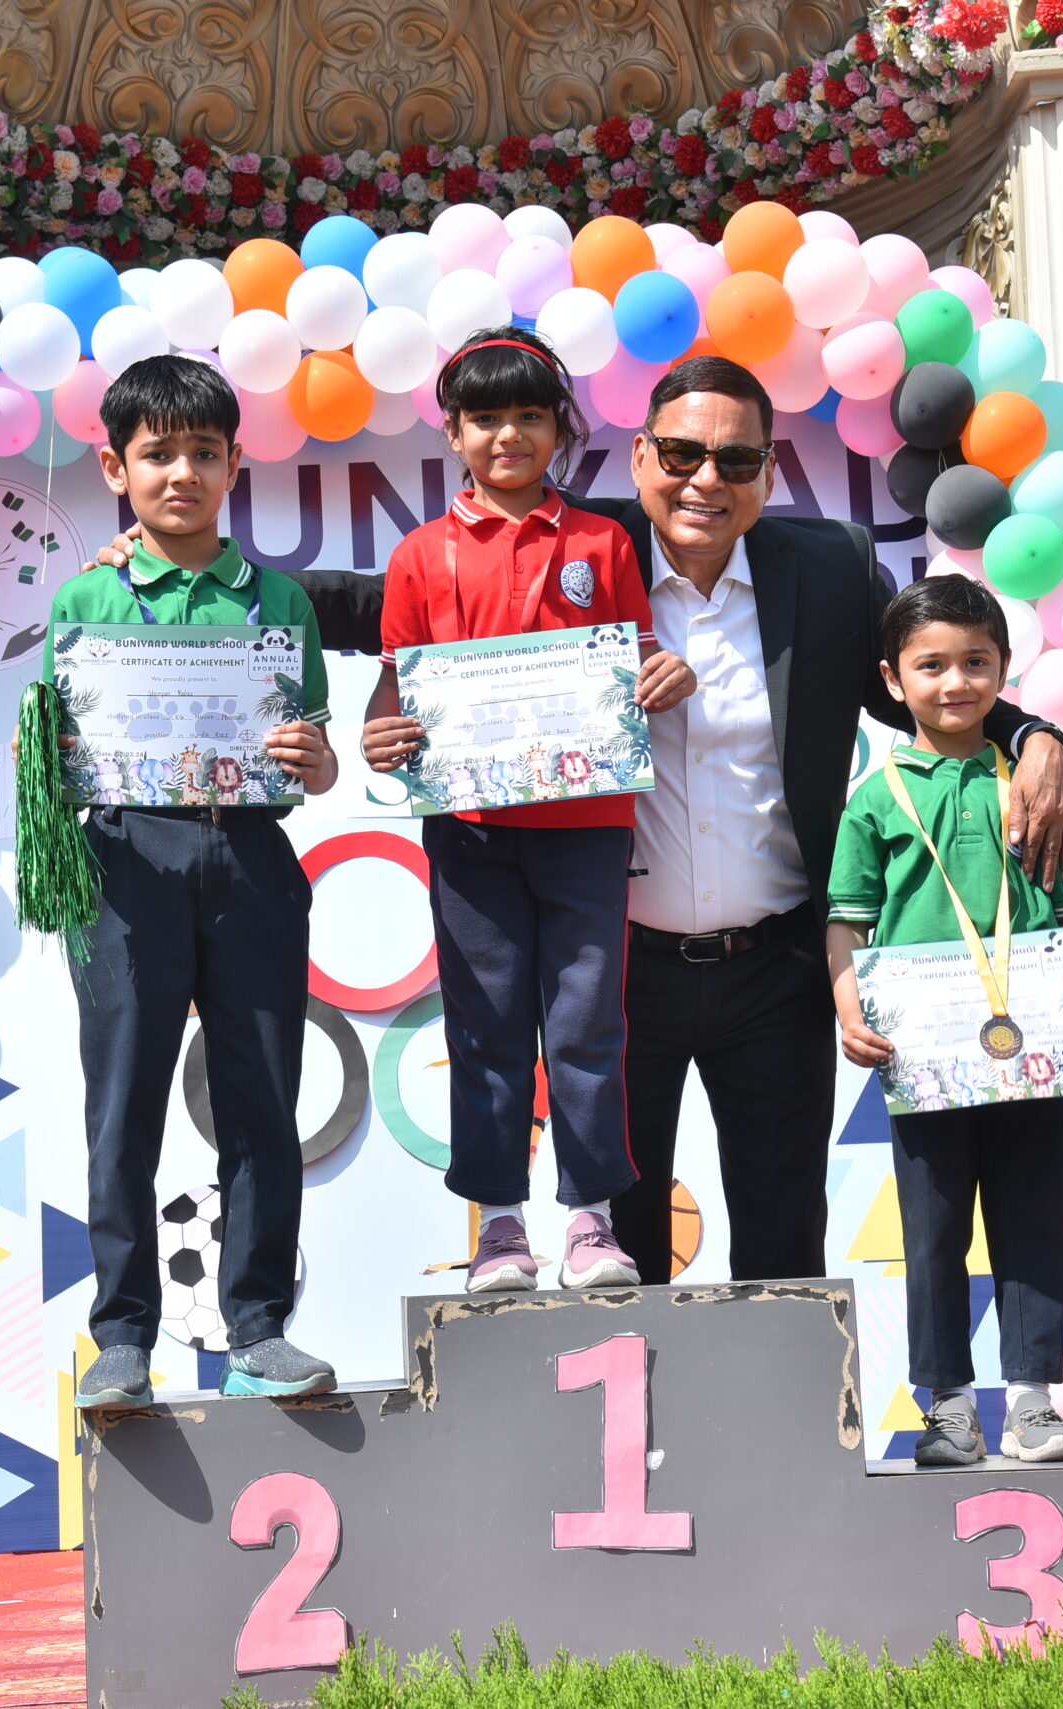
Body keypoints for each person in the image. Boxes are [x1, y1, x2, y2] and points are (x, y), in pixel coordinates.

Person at [572, 358, 1063, 1288]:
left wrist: (1036, 735)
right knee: (620, 1252)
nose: (706, 480)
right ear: (640, 456)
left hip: (777, 971)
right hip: (617, 971)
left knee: (782, 1247)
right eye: (682, 454)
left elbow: (917, 688)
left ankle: (781, 1393)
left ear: (769, 471)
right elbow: (418, 616)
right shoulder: (578, 556)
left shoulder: (831, 566)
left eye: (737, 460)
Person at [24, 356, 342, 1409]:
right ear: (116, 468)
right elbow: (58, 749)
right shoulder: (88, 596)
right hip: (125, 860)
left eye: (204, 453)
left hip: (251, 856)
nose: (182, 473)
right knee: (124, 1103)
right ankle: (121, 1336)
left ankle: (259, 1328)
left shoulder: (279, 600)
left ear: (235, 465)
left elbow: (311, 755)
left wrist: (317, 762)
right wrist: (51, 756)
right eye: (158, 453)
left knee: (263, 1099)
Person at [359, 327, 696, 1293]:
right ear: (453, 433)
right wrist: (381, 732)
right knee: (484, 1028)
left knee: (586, 1024)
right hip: (469, 834)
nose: (508, 434)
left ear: (560, 429)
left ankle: (592, 1222)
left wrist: (663, 676)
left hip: (587, 828)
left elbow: (636, 661)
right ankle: (499, 1227)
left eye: (529, 415)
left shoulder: (602, 542)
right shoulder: (419, 555)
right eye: (485, 418)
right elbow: (395, 688)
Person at [824, 574, 1063, 1466]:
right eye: (932, 665)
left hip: (1031, 1051)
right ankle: (947, 1407)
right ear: (892, 678)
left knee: (1036, 1223)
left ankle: (1033, 1403)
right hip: (921, 1057)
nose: (956, 682)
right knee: (934, 1235)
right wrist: (848, 1011)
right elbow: (847, 921)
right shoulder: (875, 797)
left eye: (976, 662)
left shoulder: (1028, 785)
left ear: (1004, 668)